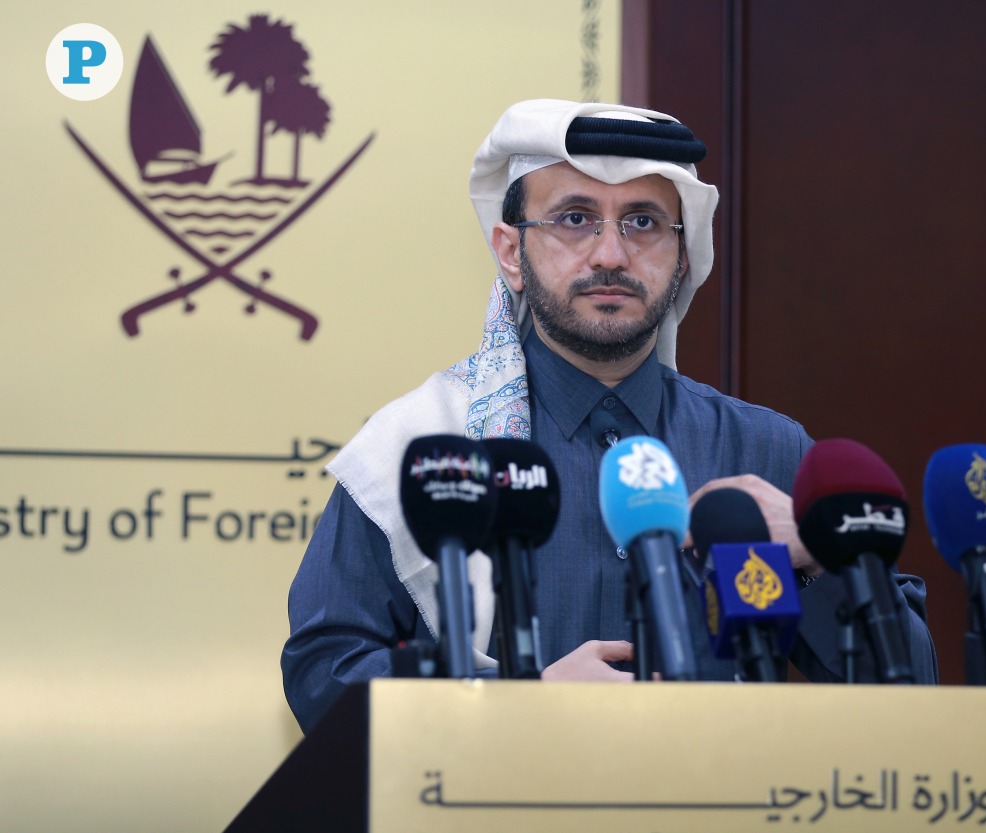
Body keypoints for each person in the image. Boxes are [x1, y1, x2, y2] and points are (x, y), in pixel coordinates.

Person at [282, 99, 936, 733]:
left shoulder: (762, 449)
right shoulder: (423, 449)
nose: (610, 255)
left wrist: (818, 555)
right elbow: (323, 675)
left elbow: (911, 690)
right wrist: (518, 704)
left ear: (681, 258)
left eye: (643, 222)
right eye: (574, 218)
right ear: (511, 252)